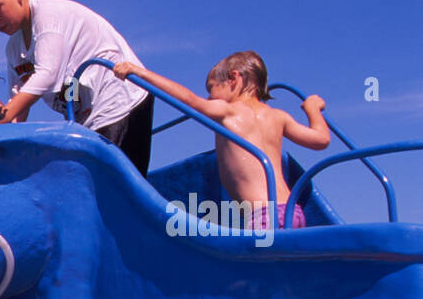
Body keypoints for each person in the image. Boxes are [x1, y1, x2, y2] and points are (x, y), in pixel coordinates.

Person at [114, 51, 329, 231]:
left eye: (211, 89)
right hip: (293, 211)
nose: (209, 98)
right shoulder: (278, 116)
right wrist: (312, 108)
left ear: (233, 79)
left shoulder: (228, 111)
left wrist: (139, 72)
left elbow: (189, 100)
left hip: (263, 217)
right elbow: (320, 140)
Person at [0, 0, 154, 175]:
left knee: (111, 186)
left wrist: (6, 114)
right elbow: (17, 108)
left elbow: (47, 75)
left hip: (120, 102)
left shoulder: (47, 16)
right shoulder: (13, 48)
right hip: (86, 117)